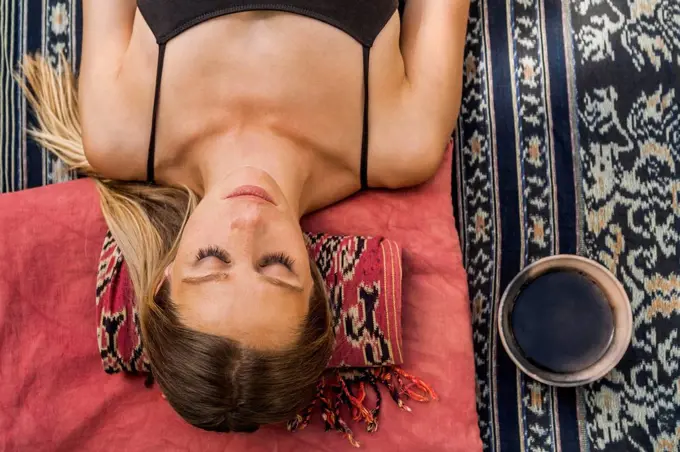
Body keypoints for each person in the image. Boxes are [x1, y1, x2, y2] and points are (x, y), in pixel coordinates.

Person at [22, 0, 469, 434]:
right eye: (276, 265)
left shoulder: (121, 135)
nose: (247, 223)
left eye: (213, 258)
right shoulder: (401, 142)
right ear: (317, 288)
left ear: (164, 277)